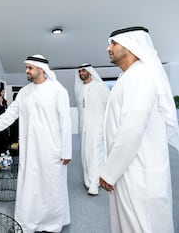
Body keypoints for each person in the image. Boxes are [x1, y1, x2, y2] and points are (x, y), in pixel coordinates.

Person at [99, 26, 179, 233]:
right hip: (129, 169)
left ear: (131, 46)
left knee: (142, 225)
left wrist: (109, 172)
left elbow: (131, 129)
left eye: (113, 43)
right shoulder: (129, 76)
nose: (108, 48)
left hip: (139, 172)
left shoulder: (141, 76)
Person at [0, 54, 72, 233]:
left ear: (41, 69)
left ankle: (52, 223)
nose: (27, 71)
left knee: (51, 186)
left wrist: (66, 151)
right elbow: (10, 114)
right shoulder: (24, 92)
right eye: (26, 68)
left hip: (52, 150)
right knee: (30, 185)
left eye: (29, 68)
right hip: (30, 150)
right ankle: (28, 222)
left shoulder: (58, 91)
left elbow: (65, 122)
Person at [74, 63, 110, 195]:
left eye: (83, 70)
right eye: (79, 71)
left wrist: (107, 126)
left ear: (90, 71)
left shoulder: (100, 87)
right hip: (83, 128)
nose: (81, 73)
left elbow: (108, 108)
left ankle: (95, 183)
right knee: (85, 154)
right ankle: (88, 181)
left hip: (97, 127)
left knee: (96, 153)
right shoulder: (79, 89)